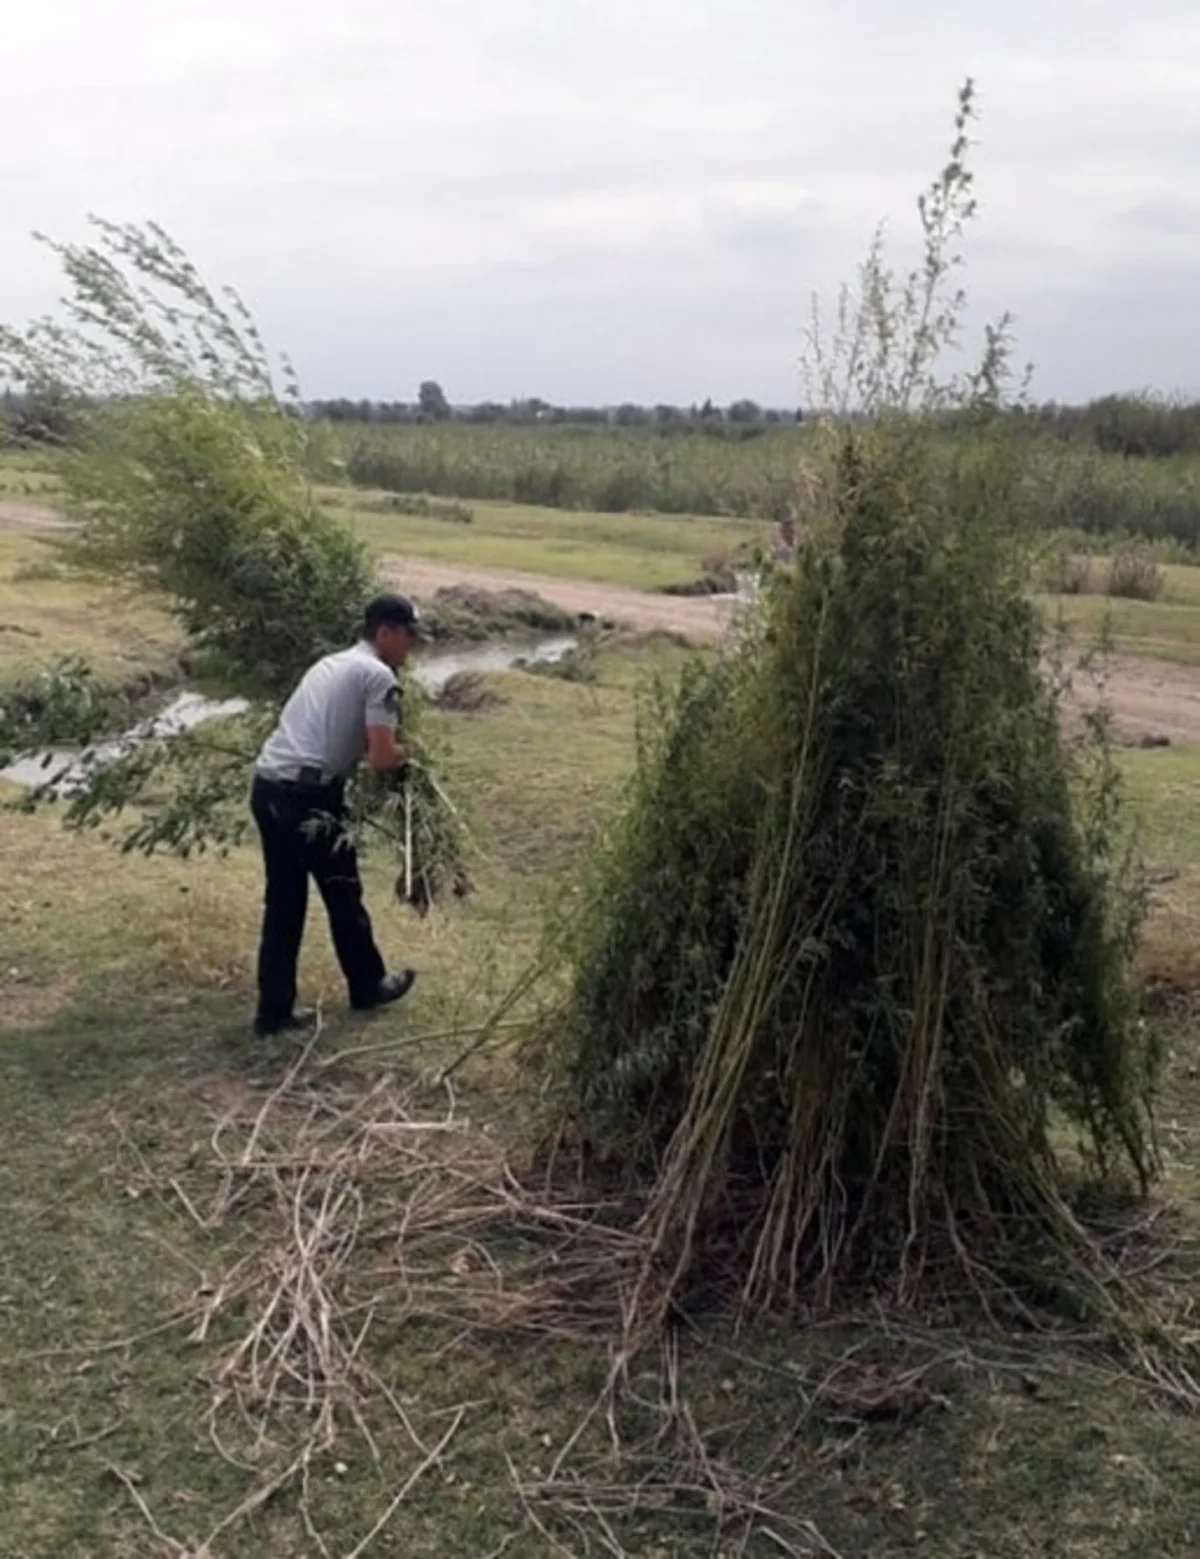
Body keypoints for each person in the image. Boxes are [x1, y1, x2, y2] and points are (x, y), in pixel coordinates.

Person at [249, 593, 425, 1037]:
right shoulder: (378, 675)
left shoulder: (332, 663)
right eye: (408, 636)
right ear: (385, 631)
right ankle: (367, 986)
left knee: (285, 903)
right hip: (308, 798)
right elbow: (382, 757)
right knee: (343, 890)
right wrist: (414, 753)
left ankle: (274, 1013)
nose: (411, 647)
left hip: (270, 784)